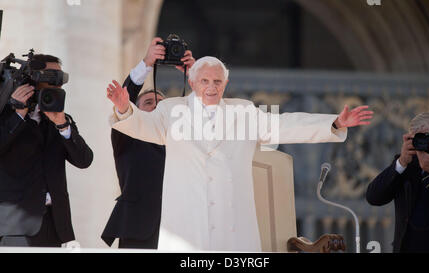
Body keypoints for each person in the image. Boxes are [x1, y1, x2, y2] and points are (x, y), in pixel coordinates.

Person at [106, 55, 373, 251]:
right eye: (205, 80)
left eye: (217, 81)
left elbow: (284, 125)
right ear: (192, 80)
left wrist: (334, 124)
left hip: (233, 228)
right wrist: (124, 108)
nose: (211, 86)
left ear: (226, 83)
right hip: (186, 228)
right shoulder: (171, 110)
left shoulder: (243, 111)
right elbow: (143, 126)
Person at [101, 38, 195, 249]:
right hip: (138, 228)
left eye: (162, 103)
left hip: (182, 228)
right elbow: (126, 101)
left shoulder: (185, 137)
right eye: (149, 102)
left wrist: (195, 76)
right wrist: (147, 62)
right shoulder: (128, 134)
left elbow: (210, 111)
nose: (157, 107)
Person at [0, 54, 93, 247]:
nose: (57, 85)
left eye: (61, 79)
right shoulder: (5, 115)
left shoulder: (60, 119)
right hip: (15, 226)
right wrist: (17, 114)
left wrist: (62, 125)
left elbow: (84, 160)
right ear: (32, 79)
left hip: (56, 227)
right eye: (51, 77)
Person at [366, 112, 429, 252]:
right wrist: (401, 163)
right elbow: (373, 197)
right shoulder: (408, 162)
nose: (425, 144)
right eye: (419, 138)